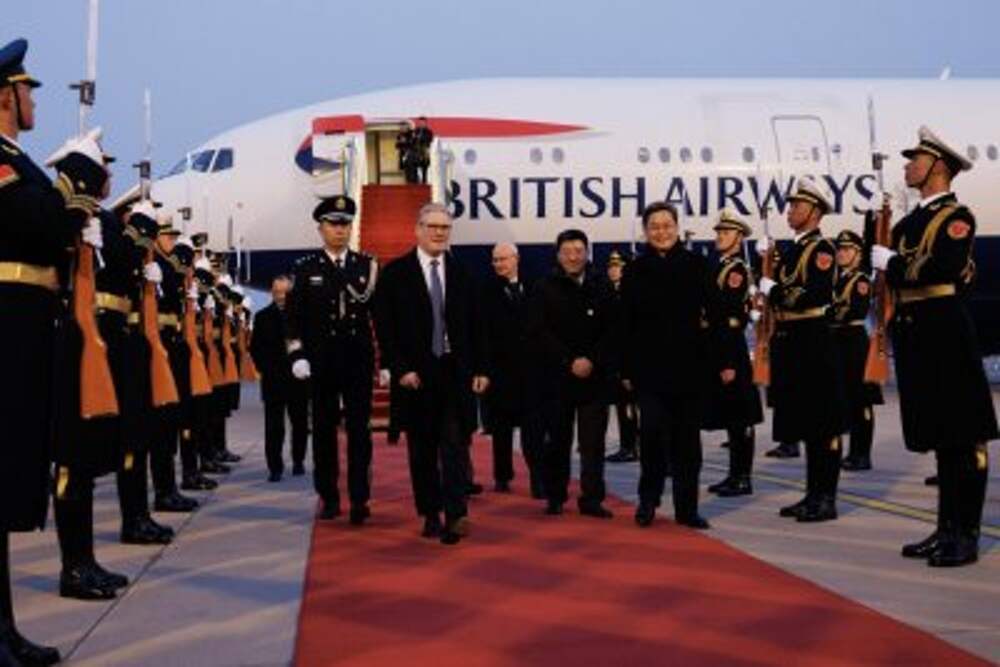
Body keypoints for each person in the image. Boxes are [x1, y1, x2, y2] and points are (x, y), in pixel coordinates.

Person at [0, 37, 106, 666]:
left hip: (28, 324)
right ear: (4, 97)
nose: (34, 101)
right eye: (27, 91)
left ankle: (5, 632)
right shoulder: (1, 161)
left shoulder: (17, 160)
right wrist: (75, 182)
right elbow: (38, 222)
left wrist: (71, 194)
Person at [871, 126, 997, 567]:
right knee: (943, 437)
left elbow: (943, 266)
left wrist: (894, 262)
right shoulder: (908, 224)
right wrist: (879, 233)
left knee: (964, 435)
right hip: (917, 333)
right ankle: (945, 529)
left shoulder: (956, 217)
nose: (908, 166)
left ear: (938, 167)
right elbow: (892, 266)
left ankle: (966, 535)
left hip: (946, 331)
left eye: (916, 160)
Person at [374, 202, 490, 545]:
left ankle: (456, 514)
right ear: (418, 230)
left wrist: (481, 368)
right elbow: (385, 328)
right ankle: (430, 512)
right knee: (422, 450)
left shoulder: (463, 274)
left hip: (455, 372)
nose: (440, 232)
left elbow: (478, 326)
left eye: (445, 227)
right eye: (433, 226)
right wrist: (400, 368)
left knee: (455, 444)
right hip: (417, 377)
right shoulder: (395, 274)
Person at [758, 178, 847, 523]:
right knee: (808, 423)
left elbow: (813, 295)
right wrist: (766, 264)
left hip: (812, 339)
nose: (790, 211)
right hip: (792, 340)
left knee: (823, 423)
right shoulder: (793, 250)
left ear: (814, 211)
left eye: (797, 206)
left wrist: (774, 290)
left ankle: (826, 498)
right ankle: (812, 495)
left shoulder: (821, 249)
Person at [286, 195, 378, 525]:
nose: (340, 230)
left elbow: (379, 316)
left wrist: (386, 362)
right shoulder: (305, 268)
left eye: (345, 224)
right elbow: (293, 319)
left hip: (357, 359)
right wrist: (297, 354)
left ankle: (359, 498)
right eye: (333, 224)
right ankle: (328, 496)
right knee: (324, 431)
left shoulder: (366, 265)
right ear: (321, 228)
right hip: (321, 360)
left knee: (359, 432)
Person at [620, 203, 711, 529]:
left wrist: (715, 361)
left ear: (677, 227)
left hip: (689, 370)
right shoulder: (635, 270)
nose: (661, 232)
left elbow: (714, 315)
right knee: (652, 438)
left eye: (667, 225)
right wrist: (626, 370)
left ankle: (687, 508)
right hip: (649, 372)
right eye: (654, 227)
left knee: (688, 444)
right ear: (646, 232)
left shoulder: (697, 266)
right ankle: (648, 500)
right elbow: (625, 324)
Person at [527, 229, 615, 519]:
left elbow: (612, 329)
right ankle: (555, 496)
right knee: (557, 442)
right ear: (558, 255)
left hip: (595, 378)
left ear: (587, 253)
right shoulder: (543, 287)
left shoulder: (602, 285)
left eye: (579, 251)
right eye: (567, 252)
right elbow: (539, 331)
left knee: (593, 445)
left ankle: (592, 499)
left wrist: (592, 359)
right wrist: (569, 360)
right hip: (557, 378)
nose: (573, 257)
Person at [704, 210, 763, 497]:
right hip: (720, 344)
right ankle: (734, 475)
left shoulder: (735, 270)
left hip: (731, 347)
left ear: (739, 238)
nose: (719, 236)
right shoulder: (720, 266)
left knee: (741, 415)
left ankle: (742, 478)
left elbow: (728, 314)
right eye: (718, 232)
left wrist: (726, 361)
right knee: (731, 415)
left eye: (725, 233)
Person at [482, 242, 543, 495]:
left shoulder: (535, 286)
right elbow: (482, 334)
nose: (498, 264)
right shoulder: (485, 291)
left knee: (534, 430)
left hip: (531, 373)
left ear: (516, 259)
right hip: (499, 372)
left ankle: (538, 478)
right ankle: (502, 476)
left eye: (503, 259)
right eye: (495, 260)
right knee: (501, 429)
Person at [830, 230, 883, 472]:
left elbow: (854, 310)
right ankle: (853, 452)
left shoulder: (860, 280)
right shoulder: (837, 278)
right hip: (838, 342)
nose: (841, 253)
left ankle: (862, 454)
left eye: (847, 249)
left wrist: (826, 312)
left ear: (858, 254)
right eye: (839, 249)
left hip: (854, 343)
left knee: (861, 400)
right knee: (847, 399)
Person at [251, 274, 310, 482]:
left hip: (298, 379)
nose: (281, 296)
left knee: (300, 423)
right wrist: (266, 370)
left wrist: (305, 365)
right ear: (272, 292)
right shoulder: (262, 317)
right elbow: (255, 349)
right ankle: (275, 467)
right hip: (273, 379)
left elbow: (310, 344)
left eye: (284, 292)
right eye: (277, 292)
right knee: (274, 427)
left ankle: (298, 460)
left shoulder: (302, 316)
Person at [604, 250, 640, 464]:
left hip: (629, 359)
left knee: (629, 404)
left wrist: (627, 367)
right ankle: (628, 444)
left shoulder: (630, 294)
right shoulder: (609, 292)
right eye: (611, 266)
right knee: (621, 404)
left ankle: (631, 446)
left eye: (617, 267)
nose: (612, 270)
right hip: (615, 359)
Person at [412, 116, 434, 184]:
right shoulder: (415, 131)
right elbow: (413, 140)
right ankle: (415, 181)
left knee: (424, 167)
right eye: (420, 123)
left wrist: (422, 138)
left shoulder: (429, 132)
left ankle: (424, 181)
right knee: (414, 166)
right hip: (416, 150)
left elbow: (430, 140)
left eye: (423, 122)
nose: (422, 124)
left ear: (426, 123)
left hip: (425, 150)